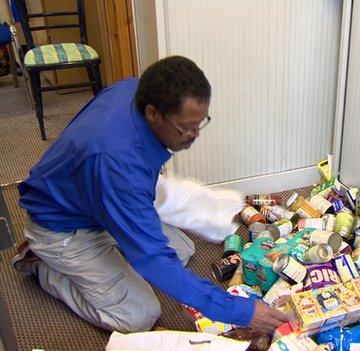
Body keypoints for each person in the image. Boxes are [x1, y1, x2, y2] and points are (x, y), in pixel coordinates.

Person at [11, 56, 288, 334]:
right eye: (185, 128)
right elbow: (154, 262)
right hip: (63, 229)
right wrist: (240, 311)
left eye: (200, 123)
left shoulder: (136, 89)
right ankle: (43, 266)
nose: (194, 136)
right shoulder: (118, 167)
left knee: (182, 251)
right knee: (140, 316)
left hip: (95, 199)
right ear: (153, 113)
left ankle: (108, 254)